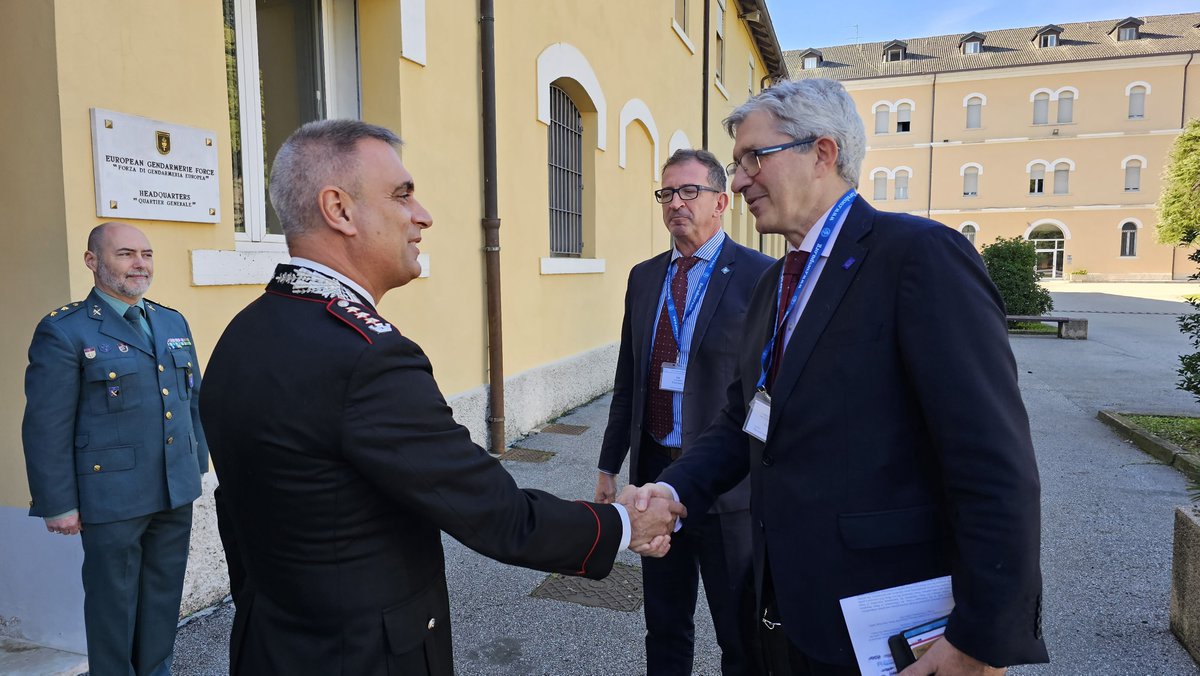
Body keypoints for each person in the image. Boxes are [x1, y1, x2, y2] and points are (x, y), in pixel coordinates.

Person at [199, 119, 683, 676]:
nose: (423, 215)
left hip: (270, 647)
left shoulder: (243, 333)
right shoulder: (366, 357)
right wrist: (623, 524)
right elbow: (495, 514)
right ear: (339, 210)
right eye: (402, 195)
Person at [634, 78, 1049, 674]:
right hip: (784, 604)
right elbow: (744, 417)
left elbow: (992, 461)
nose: (741, 180)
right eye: (738, 163)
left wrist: (983, 637)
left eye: (754, 158)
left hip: (884, 615)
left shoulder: (919, 256)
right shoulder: (774, 283)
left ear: (822, 153)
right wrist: (673, 492)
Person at [596, 148, 772, 675]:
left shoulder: (760, 276)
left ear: (720, 201)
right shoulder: (644, 277)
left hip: (726, 488)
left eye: (690, 191)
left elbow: (768, 389)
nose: (676, 203)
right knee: (665, 622)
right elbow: (628, 377)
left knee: (740, 633)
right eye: (667, 193)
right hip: (656, 478)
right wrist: (609, 465)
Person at [22, 221, 208, 676]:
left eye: (146, 254)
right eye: (125, 254)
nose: (139, 263)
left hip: (173, 489)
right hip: (111, 496)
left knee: (163, 600)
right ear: (92, 261)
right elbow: (46, 425)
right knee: (114, 607)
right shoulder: (65, 331)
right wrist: (58, 503)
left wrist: (196, 463)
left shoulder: (171, 320)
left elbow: (193, 401)